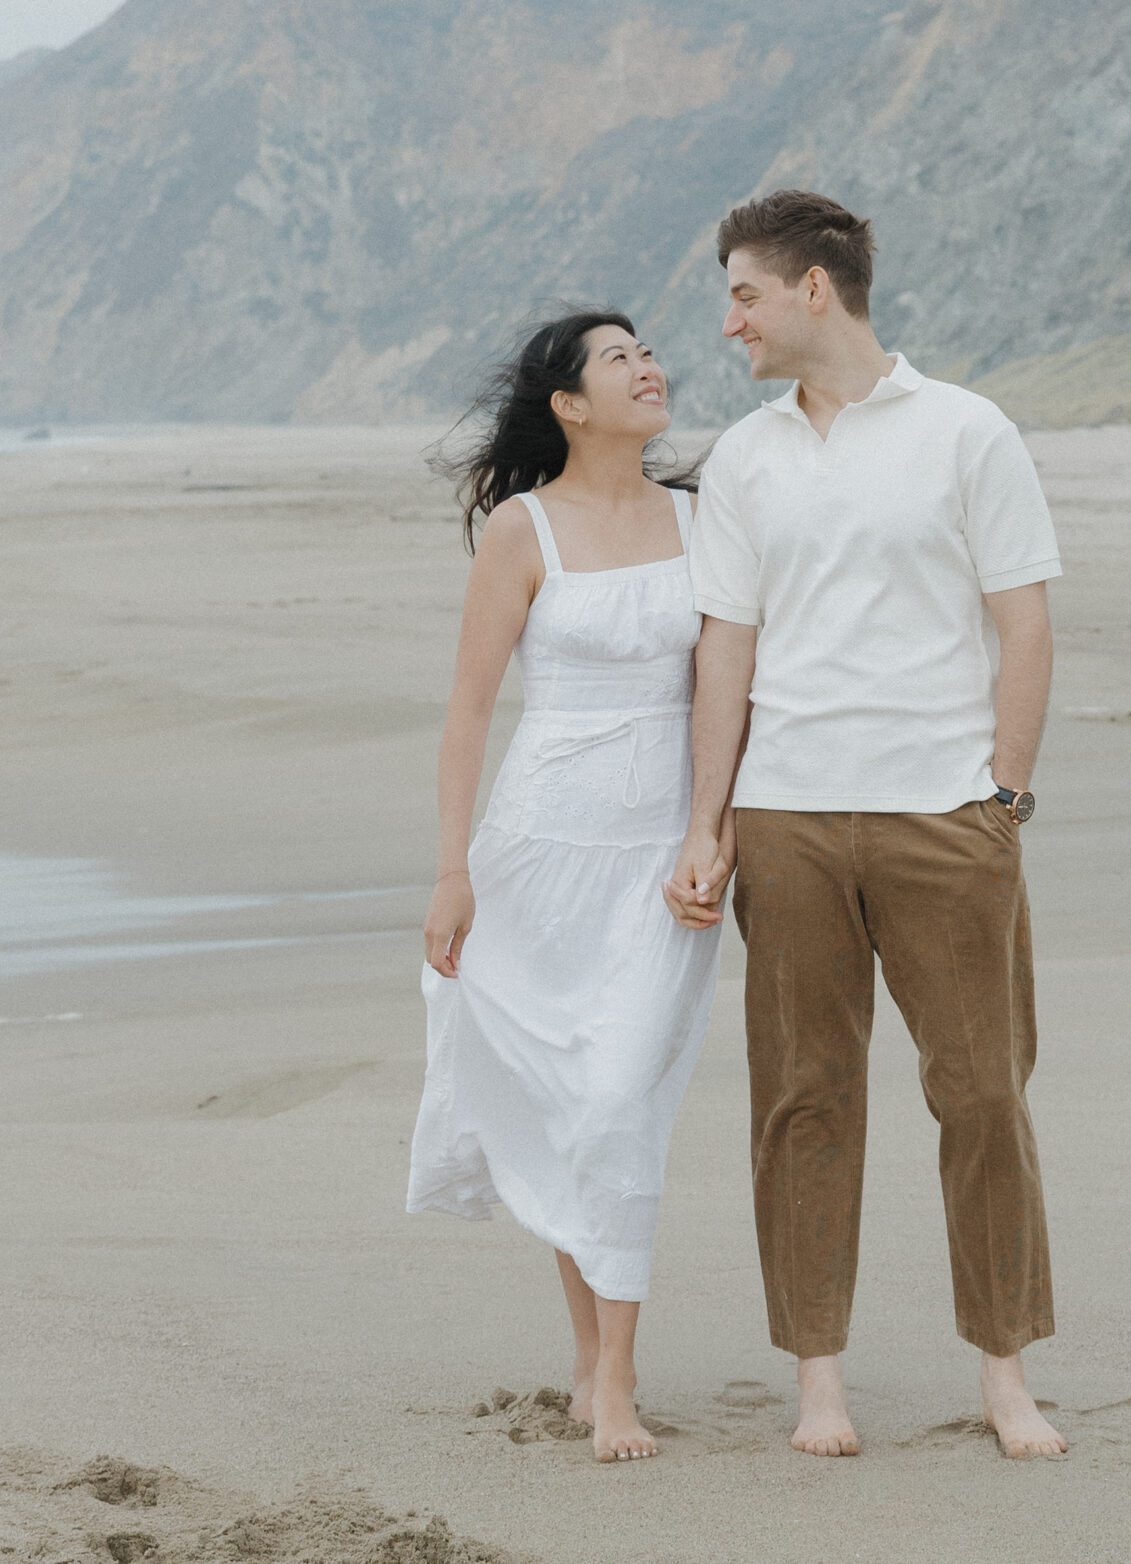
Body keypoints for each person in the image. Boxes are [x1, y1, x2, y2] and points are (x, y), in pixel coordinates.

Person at [665, 190, 1069, 1460]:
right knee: (802, 1100)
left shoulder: (966, 430)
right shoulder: (744, 456)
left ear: (812, 291)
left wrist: (1000, 796)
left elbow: (1025, 622)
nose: (727, 321)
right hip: (786, 819)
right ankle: (819, 1384)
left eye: (742, 293)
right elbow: (723, 654)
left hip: (944, 816)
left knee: (984, 1095)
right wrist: (706, 824)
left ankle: (1005, 1377)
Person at [409, 310, 725, 1463]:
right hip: (537, 854)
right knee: (564, 1103)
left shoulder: (703, 519)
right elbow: (468, 712)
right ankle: (590, 1358)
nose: (648, 366)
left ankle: (622, 1378)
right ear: (570, 405)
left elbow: (731, 694)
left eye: (649, 350)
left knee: (614, 1102)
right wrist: (452, 871)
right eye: (618, 358)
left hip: (660, 865)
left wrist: (713, 831)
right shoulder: (520, 528)